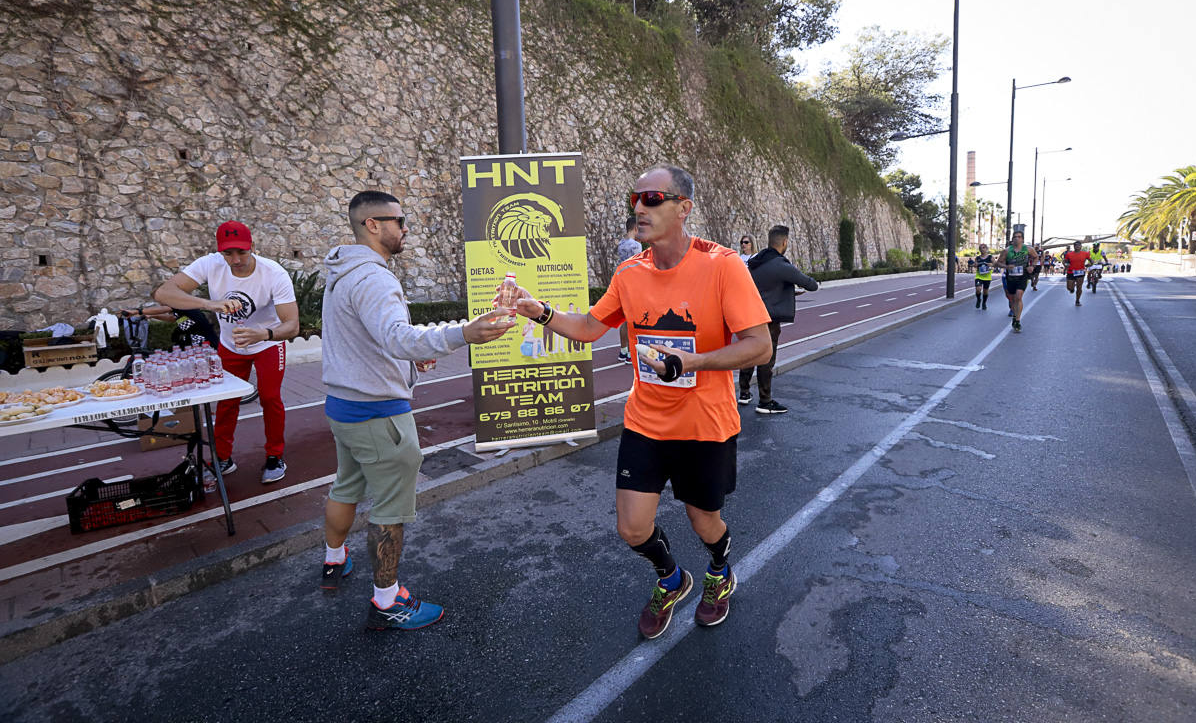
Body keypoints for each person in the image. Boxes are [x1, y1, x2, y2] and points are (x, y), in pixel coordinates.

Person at [504, 164, 772, 639]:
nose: (639, 207)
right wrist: (539, 311)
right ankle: (671, 579)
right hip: (646, 422)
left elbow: (759, 345)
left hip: (705, 424)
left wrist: (689, 363)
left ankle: (718, 572)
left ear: (683, 208)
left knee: (703, 520)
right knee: (631, 528)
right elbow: (589, 328)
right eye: (636, 198)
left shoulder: (722, 264)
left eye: (652, 198)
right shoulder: (630, 272)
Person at [318, 190, 514, 630]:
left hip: (343, 406)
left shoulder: (341, 271)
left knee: (346, 485)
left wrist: (407, 358)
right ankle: (387, 601)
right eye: (399, 221)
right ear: (373, 224)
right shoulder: (373, 278)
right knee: (390, 509)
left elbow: (370, 340)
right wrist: (464, 333)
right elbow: (396, 337)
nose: (406, 229)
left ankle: (333, 561)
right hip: (379, 414)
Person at [153, 221, 297, 483]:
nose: (235, 259)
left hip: (267, 342)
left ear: (252, 247)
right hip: (231, 345)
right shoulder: (210, 264)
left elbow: (292, 325)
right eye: (228, 253)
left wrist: (263, 334)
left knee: (270, 398)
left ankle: (275, 456)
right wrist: (209, 303)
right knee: (226, 403)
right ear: (219, 251)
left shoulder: (274, 273)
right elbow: (164, 293)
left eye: (241, 252)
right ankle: (222, 458)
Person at [738, 225, 818, 413]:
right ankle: (765, 402)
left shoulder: (755, 261)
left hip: (750, 315)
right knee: (767, 358)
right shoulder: (781, 265)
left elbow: (764, 287)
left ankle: (744, 393)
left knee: (750, 353)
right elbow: (810, 284)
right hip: (769, 318)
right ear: (784, 242)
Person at [996, 231, 1034, 332]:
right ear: (1012, 239)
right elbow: (998, 263)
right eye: (1015, 237)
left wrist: (1032, 266)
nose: (1017, 239)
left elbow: (1036, 257)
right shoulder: (1007, 251)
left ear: (1022, 239)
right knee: (1012, 299)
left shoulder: (1028, 249)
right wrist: (1007, 266)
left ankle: (1017, 320)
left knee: (1018, 297)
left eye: (1019, 237)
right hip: (1011, 277)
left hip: (1023, 276)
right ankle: (1014, 316)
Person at [616, 217, 641, 363]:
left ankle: (623, 350)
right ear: (635, 228)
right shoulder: (636, 245)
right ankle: (631, 353)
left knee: (624, 319)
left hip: (621, 282)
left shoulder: (621, 244)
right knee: (632, 319)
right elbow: (638, 266)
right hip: (633, 284)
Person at [1061, 241, 1091, 306]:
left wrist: (1090, 264)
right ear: (1074, 247)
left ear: (1081, 246)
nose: (1077, 247)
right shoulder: (1069, 254)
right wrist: (1066, 265)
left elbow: (1091, 260)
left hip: (1080, 272)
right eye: (1076, 245)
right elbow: (1064, 261)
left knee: (1079, 287)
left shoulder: (1085, 254)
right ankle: (1072, 288)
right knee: (1069, 288)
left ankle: (1077, 301)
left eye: (1079, 245)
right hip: (1071, 272)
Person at [973, 244, 995, 310]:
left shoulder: (990, 257)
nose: (982, 249)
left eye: (983, 247)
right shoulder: (977, 258)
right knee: (978, 289)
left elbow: (995, 264)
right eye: (980, 248)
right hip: (979, 276)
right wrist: (975, 265)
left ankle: (984, 303)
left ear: (986, 249)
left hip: (987, 277)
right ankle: (978, 299)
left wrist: (991, 265)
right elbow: (975, 265)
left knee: (985, 291)